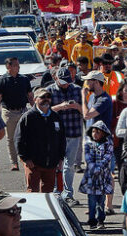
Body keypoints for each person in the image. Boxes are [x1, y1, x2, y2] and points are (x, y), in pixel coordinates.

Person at [16, 89, 67, 194]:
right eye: (42, 97)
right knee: (32, 192)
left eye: (48, 97)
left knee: (48, 193)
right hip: (33, 164)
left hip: (51, 163)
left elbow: (62, 139)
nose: (46, 100)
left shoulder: (55, 117)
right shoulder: (28, 117)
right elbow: (19, 139)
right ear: (35, 99)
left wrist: (61, 158)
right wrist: (25, 159)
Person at [46, 66, 84, 204]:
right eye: (62, 81)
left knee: (69, 165)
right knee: (56, 164)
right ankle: (56, 192)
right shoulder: (49, 91)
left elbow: (85, 112)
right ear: (56, 78)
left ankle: (68, 193)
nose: (65, 84)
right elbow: (44, 111)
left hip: (74, 132)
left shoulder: (77, 90)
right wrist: (60, 106)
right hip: (56, 134)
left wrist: (77, 106)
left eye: (67, 81)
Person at [0, 57, 34, 171]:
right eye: (16, 65)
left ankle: (26, 159)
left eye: (18, 64)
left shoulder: (24, 79)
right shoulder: (2, 80)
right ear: (9, 66)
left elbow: (30, 96)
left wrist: (35, 109)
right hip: (9, 112)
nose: (18, 67)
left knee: (26, 136)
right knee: (11, 138)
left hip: (23, 111)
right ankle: (14, 162)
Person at [81, 121, 115, 229]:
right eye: (93, 132)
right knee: (91, 200)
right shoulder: (88, 144)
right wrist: (93, 167)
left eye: (98, 132)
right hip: (91, 177)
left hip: (103, 176)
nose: (95, 134)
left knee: (101, 200)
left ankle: (101, 220)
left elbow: (107, 158)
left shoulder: (108, 144)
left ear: (103, 134)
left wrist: (99, 167)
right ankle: (92, 221)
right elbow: (87, 158)